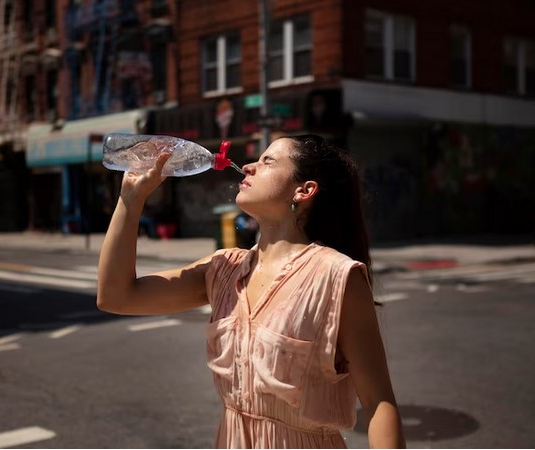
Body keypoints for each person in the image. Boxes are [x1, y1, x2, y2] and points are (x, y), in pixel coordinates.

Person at [97, 134, 405, 449]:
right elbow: (116, 296)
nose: (247, 167)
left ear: (305, 190)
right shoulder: (222, 269)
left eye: (267, 161)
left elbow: (378, 401)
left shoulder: (337, 276)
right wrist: (131, 200)